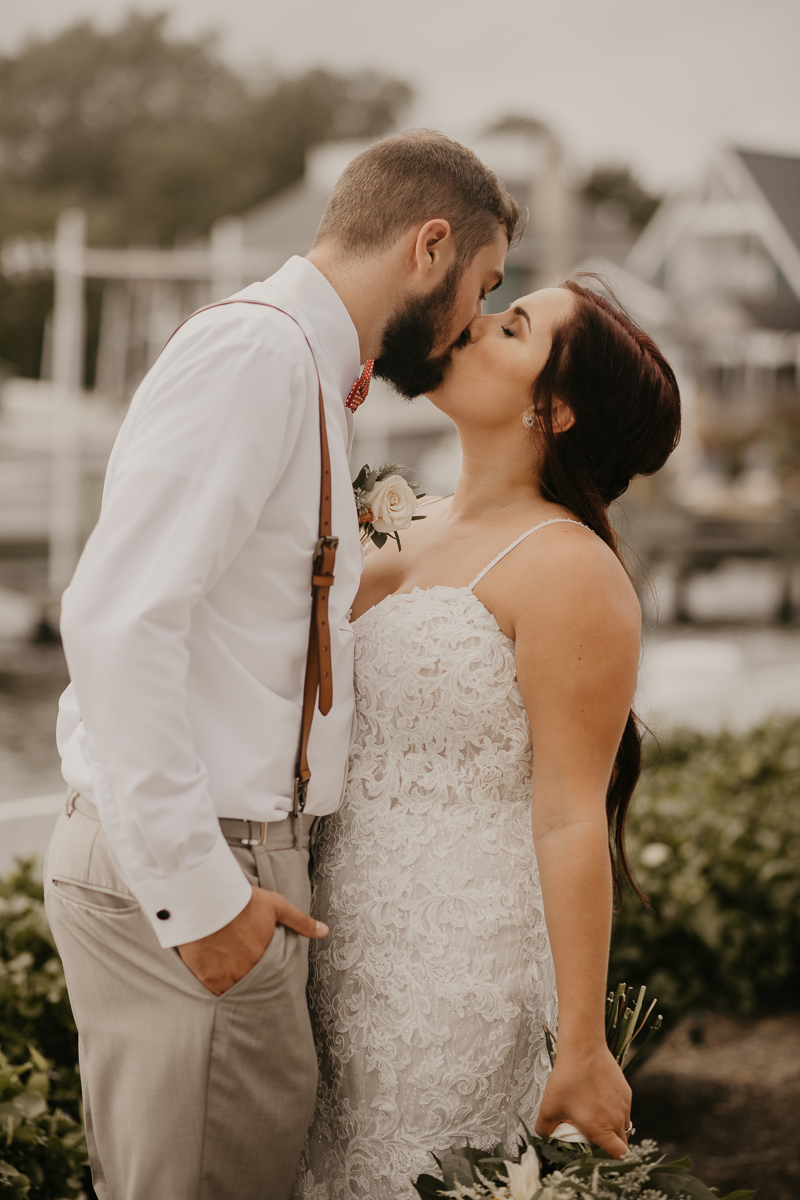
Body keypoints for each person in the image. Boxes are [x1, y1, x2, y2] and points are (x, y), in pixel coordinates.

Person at [42, 130, 522, 1200]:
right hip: (200, 858)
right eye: (481, 289)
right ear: (429, 245)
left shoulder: (298, 367)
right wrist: (201, 897)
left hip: (231, 851)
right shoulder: (258, 357)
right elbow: (119, 622)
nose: (471, 325)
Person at [295, 280, 681, 1199]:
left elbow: (568, 816)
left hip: (458, 976)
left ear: (553, 408)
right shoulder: (399, 517)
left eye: (514, 328)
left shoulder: (570, 570)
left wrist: (581, 1044)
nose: (471, 323)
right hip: (323, 952)